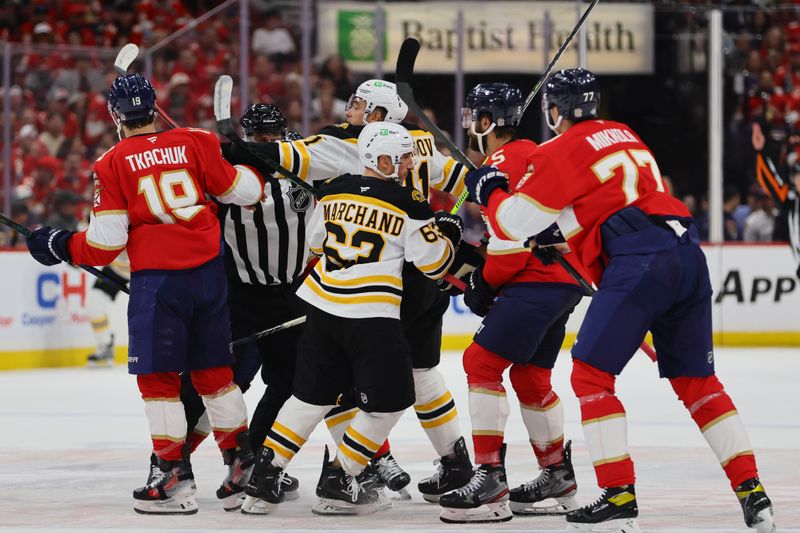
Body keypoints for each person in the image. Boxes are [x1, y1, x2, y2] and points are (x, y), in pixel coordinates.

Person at [464, 68, 776, 533]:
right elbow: (601, 206)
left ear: (554, 111)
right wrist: (561, 235)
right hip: (686, 252)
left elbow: (515, 222)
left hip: (638, 261)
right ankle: (754, 494)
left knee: (591, 374)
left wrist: (489, 188)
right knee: (699, 383)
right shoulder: (626, 135)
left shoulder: (559, 148)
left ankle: (618, 496)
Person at [25, 74, 265, 515]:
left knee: (159, 383)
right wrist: (249, 165)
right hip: (211, 277)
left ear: (116, 116)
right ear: (154, 108)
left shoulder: (111, 161)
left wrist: (59, 243)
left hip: (160, 283)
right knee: (215, 373)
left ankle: (172, 476)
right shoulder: (195, 141)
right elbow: (244, 191)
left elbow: (102, 245)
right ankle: (241, 465)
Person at [246, 79, 474, 500]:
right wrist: (486, 187)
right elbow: (463, 180)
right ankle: (451, 461)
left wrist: (235, 145)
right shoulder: (420, 142)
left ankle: (352, 465)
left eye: (359, 104)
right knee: (418, 373)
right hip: (417, 276)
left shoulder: (350, 147)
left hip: (376, 285)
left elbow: (287, 163)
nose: (349, 108)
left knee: (333, 382)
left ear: (377, 117)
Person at [438, 83, 584, 524]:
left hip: (537, 281)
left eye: (472, 118)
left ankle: (489, 480)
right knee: (530, 375)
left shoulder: (502, 162)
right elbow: (518, 231)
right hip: (564, 282)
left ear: (487, 122)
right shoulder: (531, 153)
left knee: (480, 363)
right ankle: (556, 472)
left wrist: (482, 282)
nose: (468, 126)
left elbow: (514, 244)